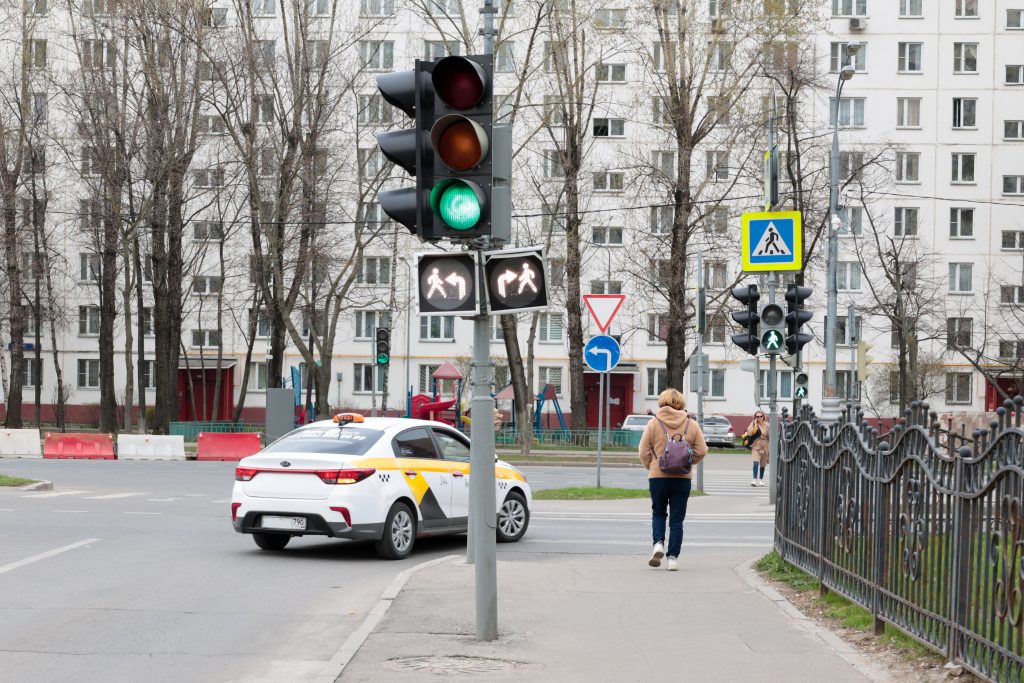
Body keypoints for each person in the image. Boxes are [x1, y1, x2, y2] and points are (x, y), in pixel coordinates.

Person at [638, 388, 708, 571]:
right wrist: (688, 462)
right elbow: (702, 450)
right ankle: (672, 559)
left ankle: (658, 544)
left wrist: (652, 466)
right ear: (681, 403)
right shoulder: (691, 424)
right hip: (682, 478)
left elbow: (643, 450)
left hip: (658, 478)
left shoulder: (654, 423)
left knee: (658, 513)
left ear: (662, 402)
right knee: (677, 520)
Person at [746, 411, 769, 487]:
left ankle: (761, 480)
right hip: (756, 446)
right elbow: (749, 433)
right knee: (755, 462)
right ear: (755, 417)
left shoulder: (767, 425)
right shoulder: (753, 424)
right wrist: (755, 425)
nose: (759, 418)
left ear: (763, 416)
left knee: (763, 464)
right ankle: (754, 480)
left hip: (765, 446)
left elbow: (770, 436)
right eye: (757, 416)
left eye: (760, 416)